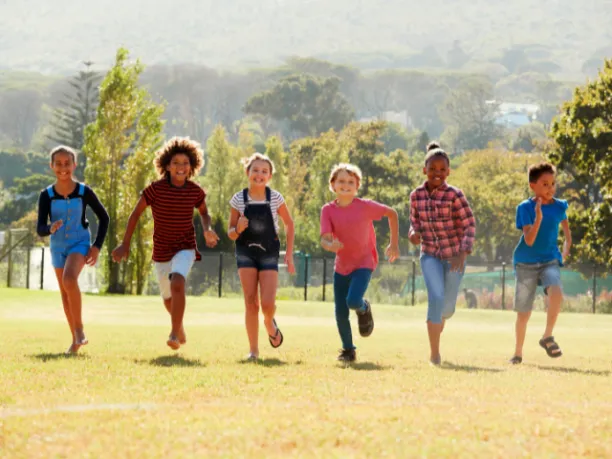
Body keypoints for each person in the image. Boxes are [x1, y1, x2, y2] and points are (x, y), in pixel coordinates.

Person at [112, 137, 219, 350]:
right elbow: (135, 215)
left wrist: (207, 229)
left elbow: (204, 213)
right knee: (168, 299)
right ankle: (179, 328)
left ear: (192, 166)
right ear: (167, 166)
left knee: (178, 281)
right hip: (161, 251)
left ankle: (173, 333)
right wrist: (125, 244)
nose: (181, 167)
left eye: (185, 163)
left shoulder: (194, 191)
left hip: (185, 247)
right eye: (176, 163)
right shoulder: (155, 189)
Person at [320, 163, 400, 363]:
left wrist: (394, 243)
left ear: (357, 186)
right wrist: (331, 245)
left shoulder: (365, 206)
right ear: (333, 185)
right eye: (341, 181)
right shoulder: (328, 210)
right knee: (340, 312)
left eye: (350, 182)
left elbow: (392, 214)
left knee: (353, 301)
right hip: (342, 266)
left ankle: (364, 308)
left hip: (364, 261)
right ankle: (348, 350)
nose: (345, 185)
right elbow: (324, 239)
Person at [36, 145, 109, 354]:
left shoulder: (84, 192)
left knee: (69, 280)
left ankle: (79, 330)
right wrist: (50, 228)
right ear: (52, 166)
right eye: (58, 164)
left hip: (79, 243)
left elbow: (104, 218)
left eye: (67, 163)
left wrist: (96, 247)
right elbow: (40, 228)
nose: (63, 168)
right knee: (64, 293)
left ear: (74, 165)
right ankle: (75, 342)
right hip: (57, 247)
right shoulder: (46, 195)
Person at [409, 142, 476, 366]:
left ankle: (440, 322)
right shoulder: (416, 195)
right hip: (429, 254)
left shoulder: (455, 195)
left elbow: (469, 225)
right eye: (432, 169)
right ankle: (435, 354)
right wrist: (413, 233)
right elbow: (414, 223)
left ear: (448, 172)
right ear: (424, 170)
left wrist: (463, 253)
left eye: (442, 170)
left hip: (454, 256)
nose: (437, 173)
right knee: (435, 298)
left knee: (447, 307)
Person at [227, 153, 295, 361]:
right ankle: (253, 351)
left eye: (264, 171)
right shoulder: (238, 199)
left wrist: (289, 254)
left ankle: (269, 322)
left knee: (266, 304)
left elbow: (289, 224)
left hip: (268, 253)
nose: (259, 174)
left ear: (269, 176)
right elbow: (230, 233)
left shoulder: (275, 198)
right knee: (250, 302)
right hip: (245, 252)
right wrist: (237, 228)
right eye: (255, 170)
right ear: (248, 173)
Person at [508, 162, 571, 364]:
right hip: (525, 262)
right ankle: (518, 353)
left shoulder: (560, 206)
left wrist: (565, 251)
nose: (550, 188)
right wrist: (538, 218)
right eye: (545, 184)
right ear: (532, 186)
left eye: (553, 183)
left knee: (557, 292)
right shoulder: (525, 208)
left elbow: (568, 235)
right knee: (524, 313)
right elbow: (529, 240)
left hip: (549, 261)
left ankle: (547, 336)